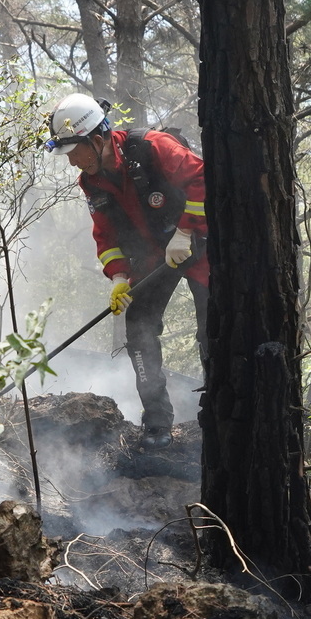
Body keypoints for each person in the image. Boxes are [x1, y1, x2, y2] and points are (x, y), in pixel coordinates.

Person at [46, 94, 208, 450]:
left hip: (198, 246)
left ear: (98, 140)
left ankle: (216, 412)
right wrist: (119, 276)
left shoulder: (153, 146)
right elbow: (105, 235)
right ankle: (156, 423)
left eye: (75, 151)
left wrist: (184, 231)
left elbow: (203, 177)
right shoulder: (91, 182)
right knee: (138, 330)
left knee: (213, 329)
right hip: (153, 259)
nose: (72, 161)